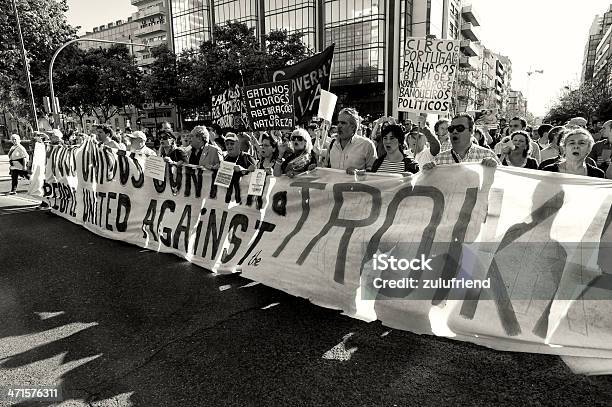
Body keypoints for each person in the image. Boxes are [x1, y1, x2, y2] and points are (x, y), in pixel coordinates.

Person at [424, 113, 500, 170]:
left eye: (460, 128)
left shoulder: (488, 155)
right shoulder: (439, 160)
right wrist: (427, 173)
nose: (455, 131)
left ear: (472, 131)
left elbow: (501, 184)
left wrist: (494, 169)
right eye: (451, 128)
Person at [324, 107, 377, 174]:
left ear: (353, 127)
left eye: (343, 123)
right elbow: (326, 170)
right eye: (338, 122)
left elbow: (373, 173)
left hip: (355, 184)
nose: (339, 126)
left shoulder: (366, 145)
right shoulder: (332, 144)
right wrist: (315, 169)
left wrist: (358, 173)